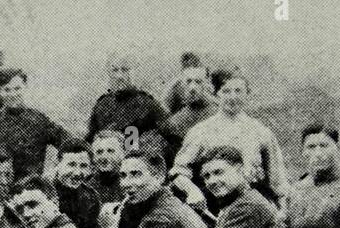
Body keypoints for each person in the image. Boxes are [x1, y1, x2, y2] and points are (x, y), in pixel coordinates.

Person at [171, 68, 287, 207]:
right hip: (214, 206)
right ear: (215, 94)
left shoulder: (260, 132)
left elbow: (277, 179)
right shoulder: (201, 131)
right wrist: (192, 191)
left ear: (247, 94)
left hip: (254, 205)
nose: (232, 97)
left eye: (238, 91)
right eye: (226, 91)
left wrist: (282, 209)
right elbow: (179, 172)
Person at [0, 68, 71, 179]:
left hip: (33, 190)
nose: (12, 94)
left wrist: (56, 170)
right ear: (0, 92)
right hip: (2, 189)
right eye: (7, 90)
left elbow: (70, 144)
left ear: (25, 88)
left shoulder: (39, 120)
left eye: (17, 88)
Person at [88, 54, 168, 143]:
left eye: (125, 70)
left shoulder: (147, 103)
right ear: (109, 74)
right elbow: (90, 141)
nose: (119, 76)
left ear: (134, 72)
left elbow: (172, 139)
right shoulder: (101, 105)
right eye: (115, 70)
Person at [54, 138, 104, 228]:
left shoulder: (91, 197)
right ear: (58, 164)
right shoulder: (43, 193)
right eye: (71, 165)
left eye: (83, 166)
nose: (77, 173)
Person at [161, 63, 217, 153]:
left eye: (198, 82)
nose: (192, 88)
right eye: (188, 81)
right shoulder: (176, 120)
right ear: (182, 85)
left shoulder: (219, 112)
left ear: (206, 84)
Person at [90, 129, 126, 204]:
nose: (104, 157)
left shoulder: (131, 184)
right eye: (99, 152)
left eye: (110, 151)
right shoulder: (87, 187)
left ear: (122, 154)